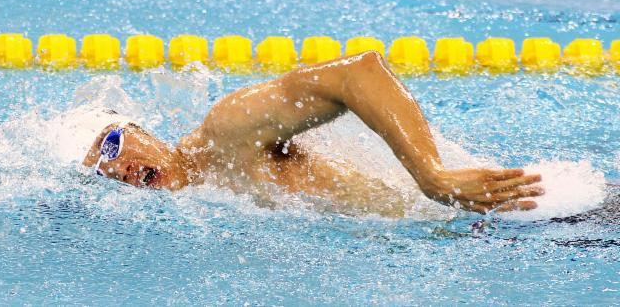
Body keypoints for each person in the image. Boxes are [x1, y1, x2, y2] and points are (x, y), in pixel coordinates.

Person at [82, 51, 543, 217]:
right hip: (480, 224)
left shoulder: (224, 132)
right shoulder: (207, 197)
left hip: (514, 208)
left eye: (112, 143)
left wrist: (432, 176)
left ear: (141, 129)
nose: (117, 168)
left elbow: (359, 74)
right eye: (103, 172)